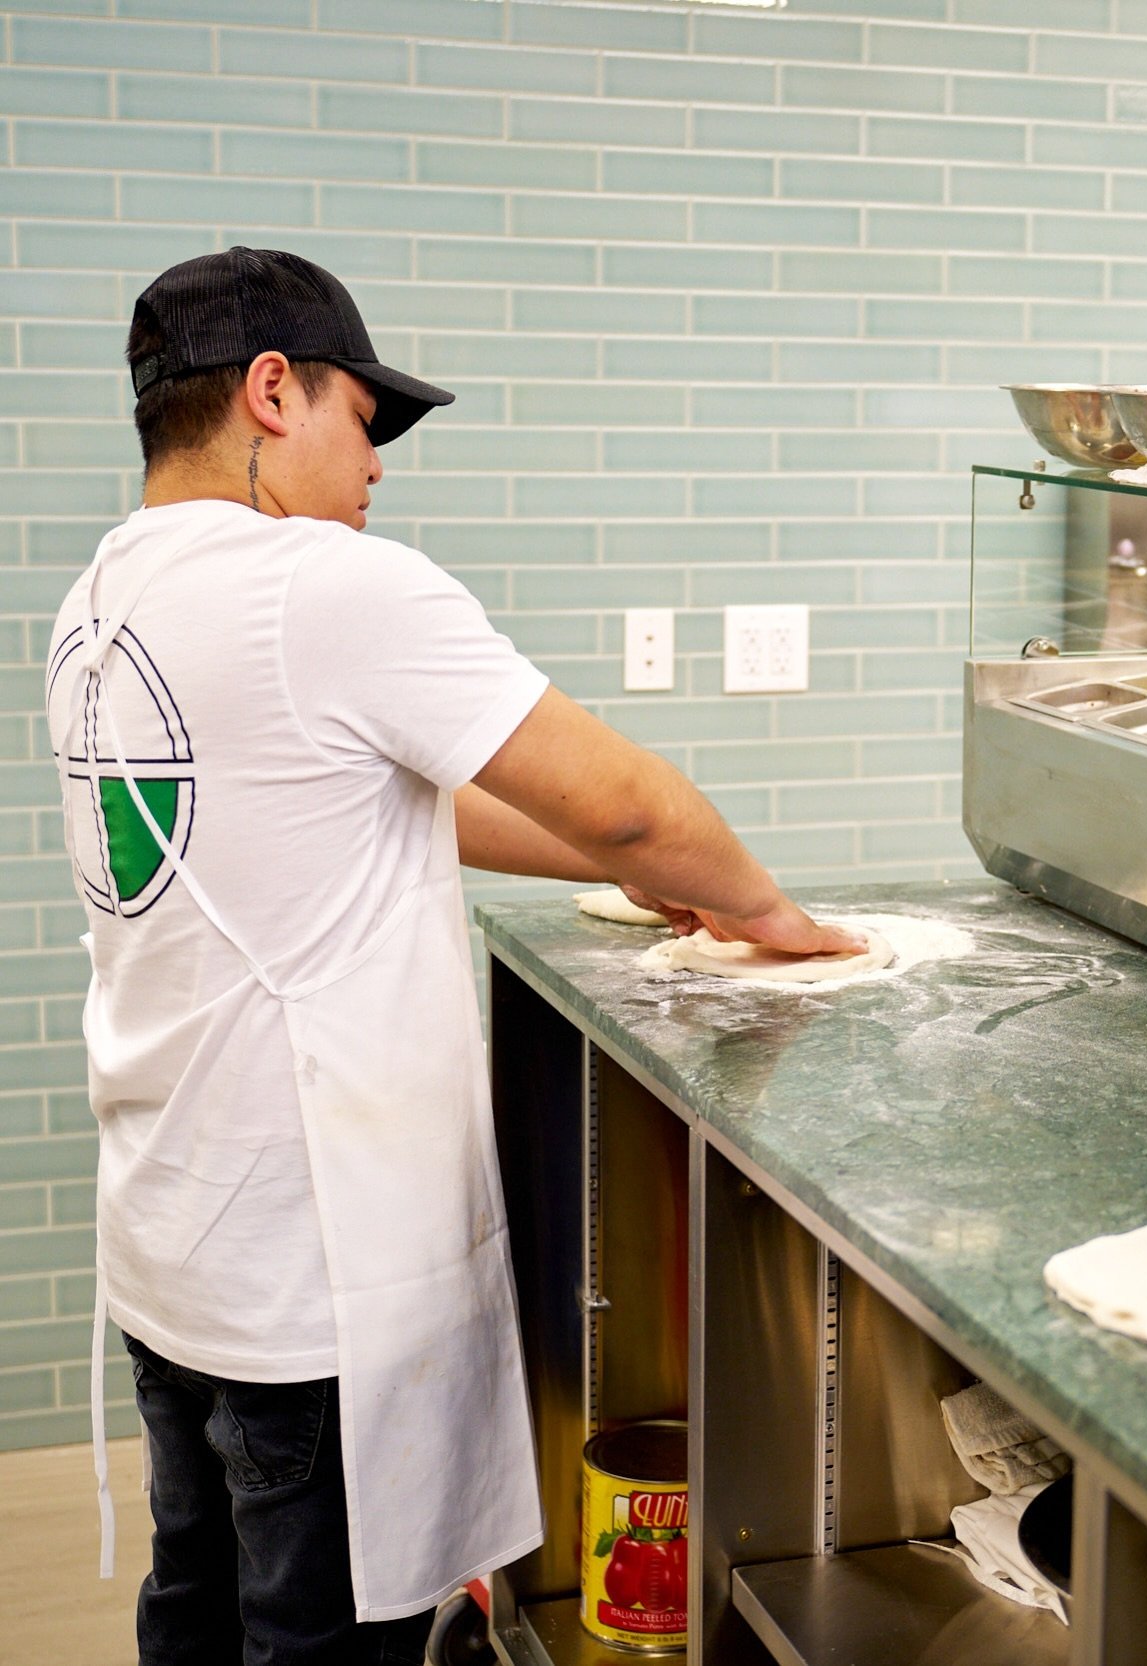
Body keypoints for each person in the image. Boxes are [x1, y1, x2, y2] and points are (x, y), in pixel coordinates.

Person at [46, 246, 860, 1666]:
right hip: (313, 1277)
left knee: (197, 1599)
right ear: (274, 391)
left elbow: (410, 792)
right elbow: (622, 796)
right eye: (371, 421)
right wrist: (770, 912)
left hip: (178, 1244)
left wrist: (655, 884)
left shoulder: (108, 596)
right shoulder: (322, 587)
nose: (380, 467)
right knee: (314, 1633)